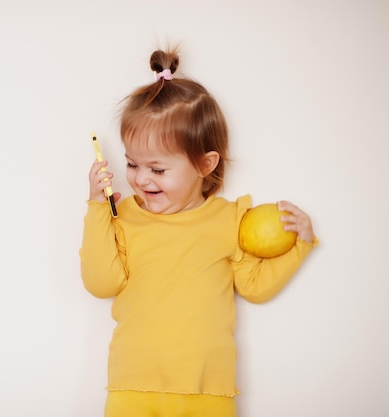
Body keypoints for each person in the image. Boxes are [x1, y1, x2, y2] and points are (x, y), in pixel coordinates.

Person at [79, 46, 318, 417]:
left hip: (208, 391)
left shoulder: (228, 219)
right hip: (132, 386)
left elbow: (254, 286)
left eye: (158, 170)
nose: (141, 179)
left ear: (205, 164)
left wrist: (300, 244)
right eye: (132, 163)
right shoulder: (123, 216)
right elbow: (101, 283)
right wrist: (97, 209)